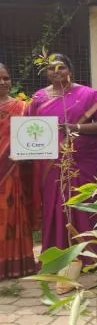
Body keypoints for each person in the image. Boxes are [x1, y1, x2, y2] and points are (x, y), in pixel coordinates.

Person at [27, 53, 97, 258]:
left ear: (70, 70)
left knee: (84, 206)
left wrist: (77, 127)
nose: (56, 72)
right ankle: (57, 254)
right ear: (46, 73)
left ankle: (87, 256)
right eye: (51, 69)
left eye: (61, 67)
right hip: (50, 164)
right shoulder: (38, 98)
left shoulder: (89, 95)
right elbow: (29, 129)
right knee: (54, 207)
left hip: (83, 161)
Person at [0, 64, 37, 280]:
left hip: (13, 171)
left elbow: (34, 138)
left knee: (13, 215)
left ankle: (18, 264)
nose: (3, 82)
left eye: (6, 77)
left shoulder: (23, 108)